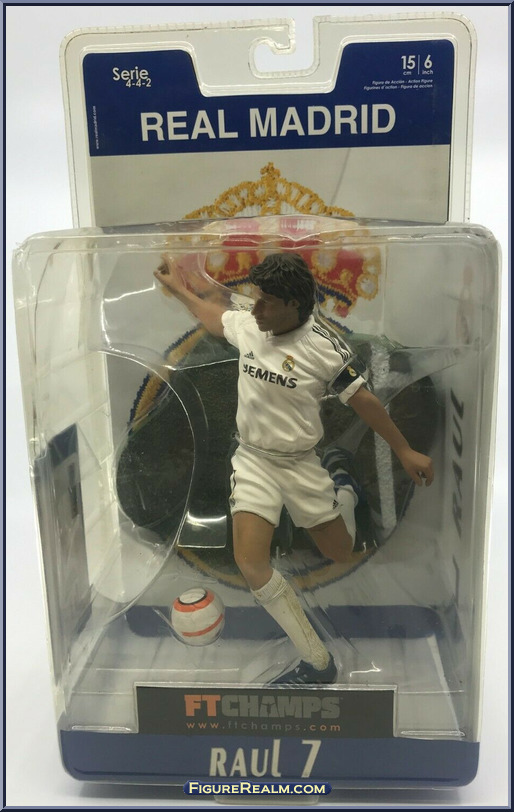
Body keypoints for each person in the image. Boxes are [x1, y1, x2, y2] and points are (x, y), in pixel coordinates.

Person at [154, 252, 434, 685]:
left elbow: (364, 401)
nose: (256, 308)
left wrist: (404, 450)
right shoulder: (252, 326)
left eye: (267, 302)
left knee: (339, 551)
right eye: (256, 299)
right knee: (251, 563)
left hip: (300, 465)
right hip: (253, 460)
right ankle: (318, 661)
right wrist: (179, 291)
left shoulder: (321, 347)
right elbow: (216, 319)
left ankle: (343, 486)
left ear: (294, 305)